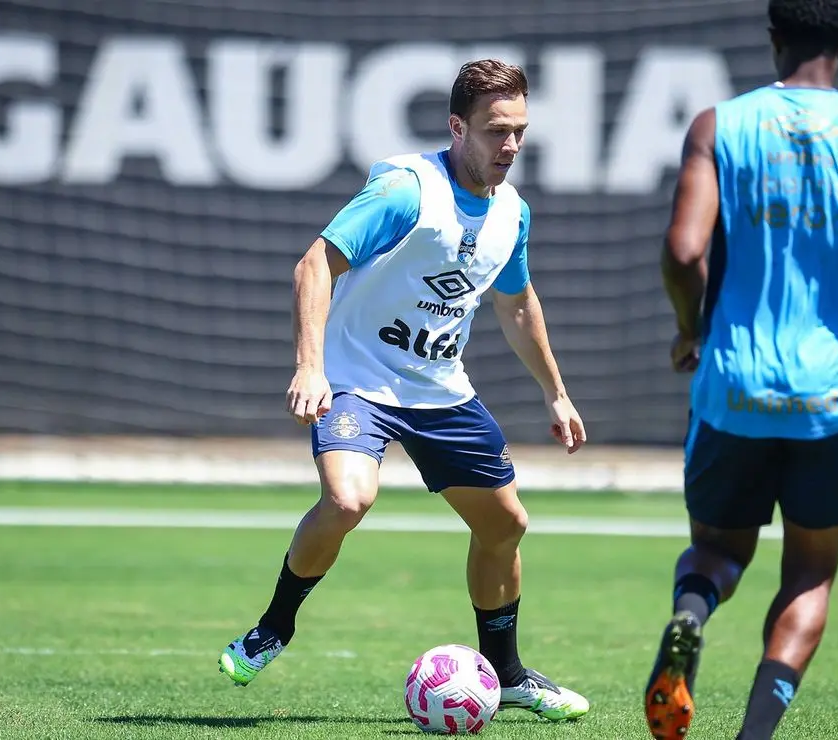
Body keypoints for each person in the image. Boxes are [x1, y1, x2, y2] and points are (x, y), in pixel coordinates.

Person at [218, 58, 590, 723]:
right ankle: (275, 625)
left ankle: (505, 676)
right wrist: (310, 366)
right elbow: (314, 265)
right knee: (348, 498)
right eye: (495, 130)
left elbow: (518, 306)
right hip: (358, 380)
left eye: (520, 131)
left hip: (440, 391)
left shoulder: (512, 214)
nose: (509, 146)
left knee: (506, 524)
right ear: (457, 127)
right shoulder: (407, 193)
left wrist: (555, 395)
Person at [643, 0, 838, 738]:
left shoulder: (719, 126)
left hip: (733, 383)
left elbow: (684, 253)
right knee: (809, 576)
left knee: (716, 551)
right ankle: (754, 735)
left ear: (773, 38)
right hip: (832, 396)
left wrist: (691, 330)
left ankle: (690, 613)